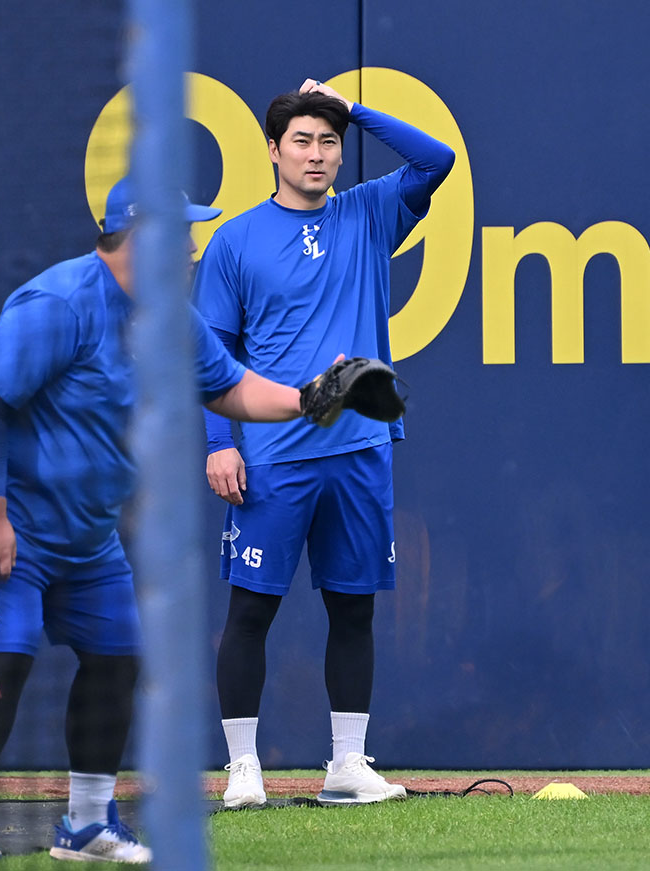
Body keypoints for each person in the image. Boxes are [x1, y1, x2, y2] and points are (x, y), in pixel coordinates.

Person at [0, 177, 342, 863]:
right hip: (3, 514)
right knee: (6, 652)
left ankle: (86, 825)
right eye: (179, 232)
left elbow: (232, 386)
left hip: (86, 531)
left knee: (119, 656)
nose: (190, 246)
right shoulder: (56, 303)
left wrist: (309, 398)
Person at [193, 79, 454, 808]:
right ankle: (243, 766)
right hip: (274, 453)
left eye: (329, 141)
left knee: (354, 607)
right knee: (251, 609)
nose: (316, 153)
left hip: (361, 447)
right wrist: (221, 441)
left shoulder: (368, 213)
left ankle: (346, 762)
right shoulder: (236, 239)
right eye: (302, 140)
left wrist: (352, 106)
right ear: (273, 151)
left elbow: (437, 161)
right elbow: (210, 347)